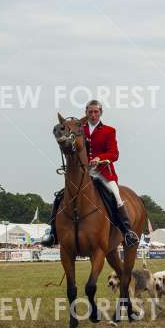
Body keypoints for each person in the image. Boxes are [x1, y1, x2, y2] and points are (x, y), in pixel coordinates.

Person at [41, 99, 140, 247]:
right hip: (82, 172)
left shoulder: (109, 130)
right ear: (86, 114)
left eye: (96, 112)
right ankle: (52, 233)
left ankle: (127, 233)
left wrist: (100, 158)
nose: (93, 115)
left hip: (103, 172)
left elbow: (114, 153)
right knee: (60, 196)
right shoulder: (79, 129)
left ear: (100, 113)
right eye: (90, 112)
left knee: (117, 196)